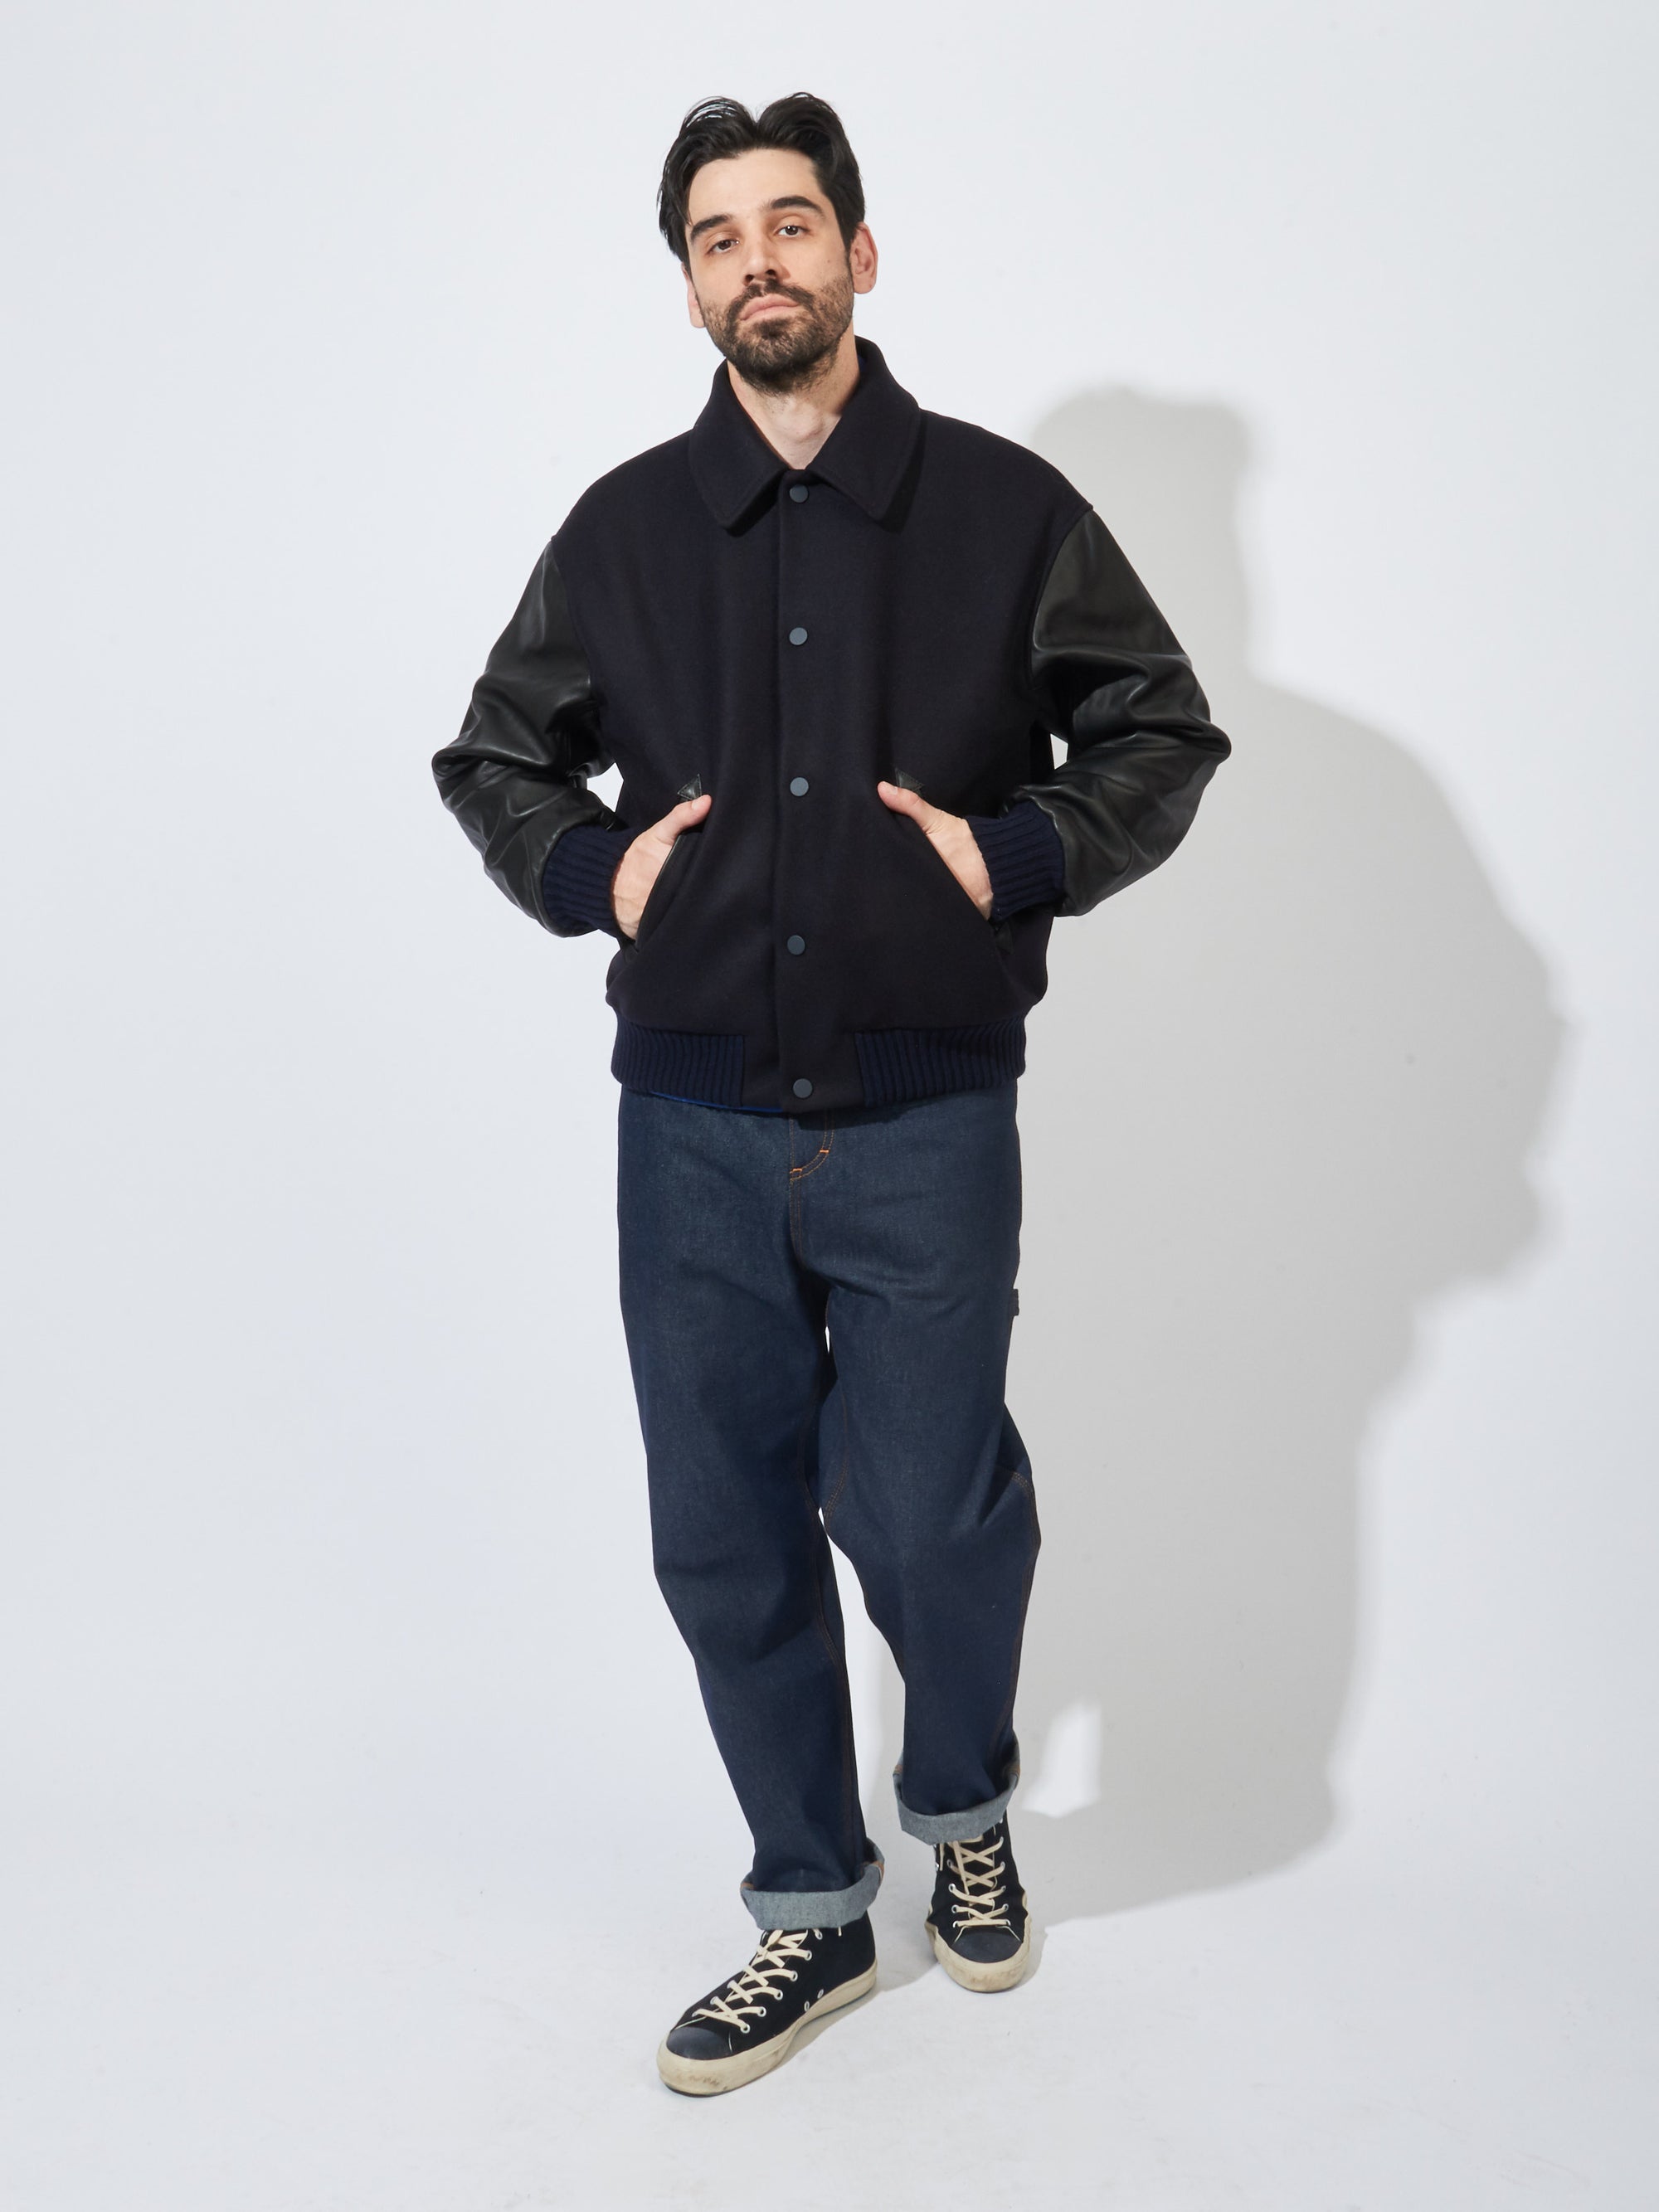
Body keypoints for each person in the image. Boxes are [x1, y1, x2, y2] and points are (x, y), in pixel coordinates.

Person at [432, 92, 1229, 2097]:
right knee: (721, 1532)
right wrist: (589, 870)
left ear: (859, 255)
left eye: (791, 224)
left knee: (932, 1514)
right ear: (690, 285)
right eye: (718, 237)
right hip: (688, 1128)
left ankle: (961, 1812)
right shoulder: (627, 528)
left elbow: (1158, 729)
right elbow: (496, 753)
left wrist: (1015, 849)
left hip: (924, 1116)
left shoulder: (1002, 508)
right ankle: (809, 1904)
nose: (758, 261)